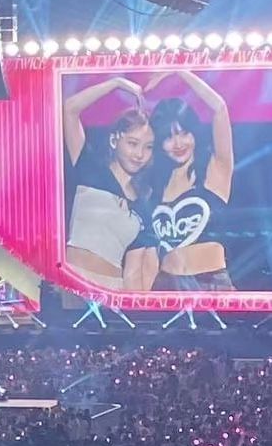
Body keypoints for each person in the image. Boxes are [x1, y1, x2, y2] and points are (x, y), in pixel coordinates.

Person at [63, 77, 155, 290]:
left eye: (148, 147)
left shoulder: (143, 203)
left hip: (113, 291)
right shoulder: (89, 168)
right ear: (114, 140)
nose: (139, 154)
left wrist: (132, 307)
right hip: (72, 283)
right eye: (133, 143)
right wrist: (116, 83)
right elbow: (70, 109)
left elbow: (134, 273)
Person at [146, 71, 234, 291]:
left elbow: (219, 108)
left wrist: (180, 72)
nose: (178, 143)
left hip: (211, 284)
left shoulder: (215, 169)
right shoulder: (157, 183)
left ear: (194, 133)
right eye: (168, 137)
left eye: (184, 133)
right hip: (166, 284)